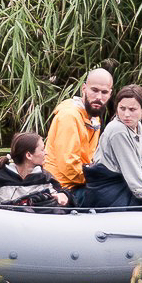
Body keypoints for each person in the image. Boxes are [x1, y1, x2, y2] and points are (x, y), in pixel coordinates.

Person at [76, 85, 142, 211]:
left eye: (132, 109)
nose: (126, 114)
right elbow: (132, 173)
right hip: (110, 194)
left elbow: (137, 157)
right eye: (122, 108)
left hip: (121, 187)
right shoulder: (118, 130)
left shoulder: (137, 126)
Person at [43, 67, 113, 198]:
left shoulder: (93, 116)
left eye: (104, 92)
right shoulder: (69, 116)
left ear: (110, 93)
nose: (99, 97)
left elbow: (90, 159)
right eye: (94, 90)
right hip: (63, 187)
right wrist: (99, 179)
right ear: (84, 88)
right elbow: (69, 166)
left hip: (80, 183)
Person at [0, 132, 70, 207]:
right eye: (42, 150)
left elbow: (63, 191)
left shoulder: (45, 178)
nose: (46, 153)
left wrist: (63, 195)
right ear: (29, 155)